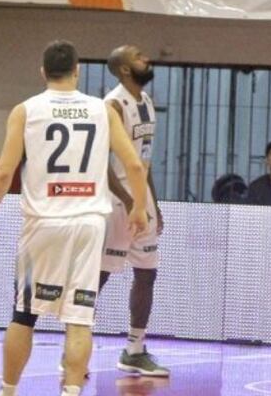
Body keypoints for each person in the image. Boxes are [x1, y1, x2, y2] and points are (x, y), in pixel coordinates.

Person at [0, 40, 149, 396]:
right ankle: (71, 391)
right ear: (78, 70)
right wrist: (138, 207)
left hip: (42, 224)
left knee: (24, 315)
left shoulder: (26, 110)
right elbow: (133, 163)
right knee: (79, 318)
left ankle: (8, 391)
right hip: (89, 224)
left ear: (42, 72)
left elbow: (3, 172)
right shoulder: (102, 110)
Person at [96, 45, 169, 376]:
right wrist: (128, 201)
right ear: (125, 69)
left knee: (147, 272)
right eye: (139, 56)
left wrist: (153, 203)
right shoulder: (112, 104)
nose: (147, 59)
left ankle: (135, 349)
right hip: (117, 202)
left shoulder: (148, 102)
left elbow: (145, 161)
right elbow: (102, 163)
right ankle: (75, 340)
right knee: (100, 273)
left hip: (143, 204)